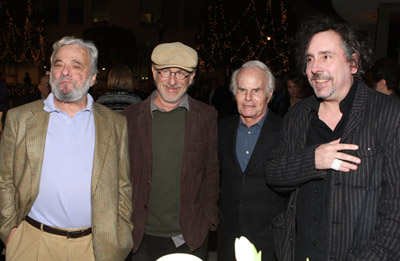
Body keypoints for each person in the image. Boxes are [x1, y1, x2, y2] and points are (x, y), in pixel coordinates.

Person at [264, 15, 400, 260]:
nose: (315, 67)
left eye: (326, 56)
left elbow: (396, 209)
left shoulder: (387, 114)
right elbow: (273, 172)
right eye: (309, 59)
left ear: (353, 63)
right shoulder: (298, 114)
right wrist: (312, 160)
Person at [0, 36, 133, 261]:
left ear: (92, 78)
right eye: (58, 64)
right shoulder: (19, 119)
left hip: (95, 247)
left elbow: (123, 186)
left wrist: (122, 235)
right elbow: (5, 180)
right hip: (32, 243)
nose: (65, 71)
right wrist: (9, 230)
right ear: (51, 73)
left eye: (76, 65)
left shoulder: (114, 124)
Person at [123, 42, 219, 260]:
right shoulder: (129, 117)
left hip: (189, 235)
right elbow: (121, 176)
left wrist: (208, 218)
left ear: (192, 77)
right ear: (154, 73)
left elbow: (211, 171)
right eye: (166, 72)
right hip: (140, 235)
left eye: (181, 73)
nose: (173, 81)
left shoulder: (206, 116)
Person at [217, 60, 288, 261]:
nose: (248, 98)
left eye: (256, 90)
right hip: (228, 240)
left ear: (270, 94)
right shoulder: (221, 129)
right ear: (234, 93)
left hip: (270, 241)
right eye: (242, 90)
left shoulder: (286, 131)